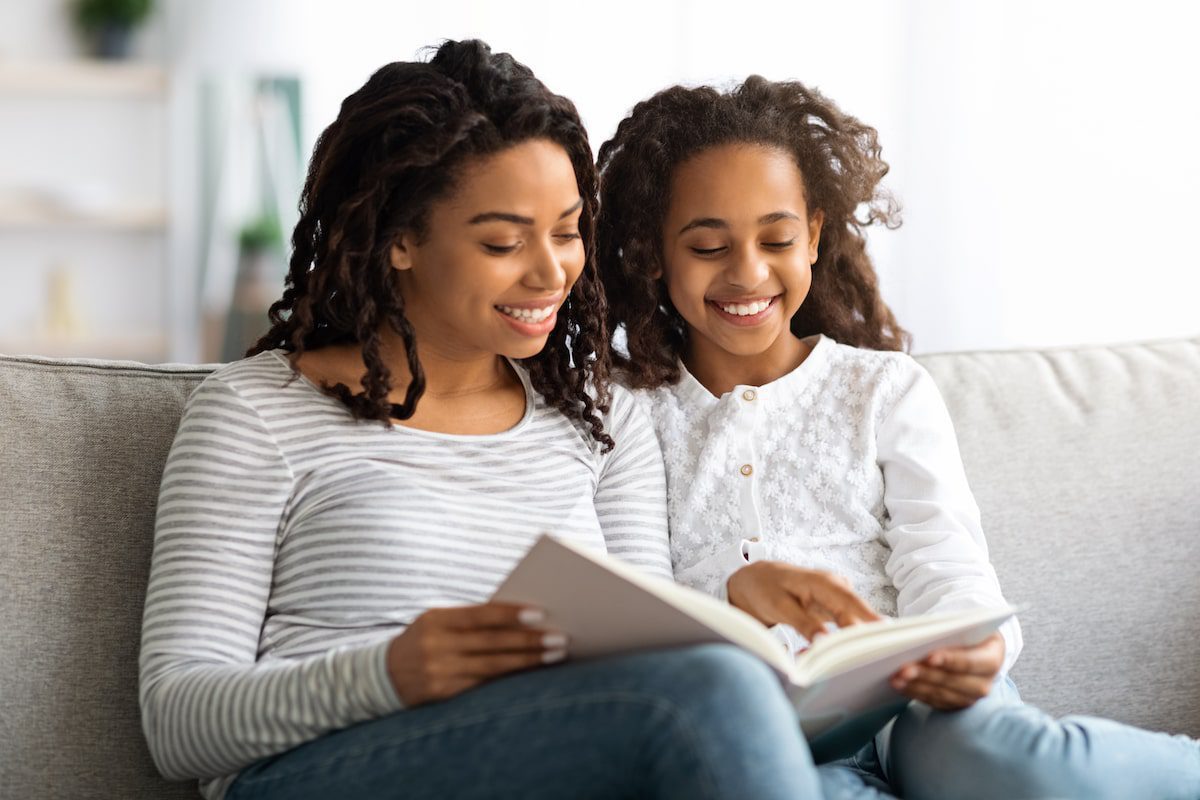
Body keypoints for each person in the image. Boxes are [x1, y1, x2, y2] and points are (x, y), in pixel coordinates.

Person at [138, 42, 827, 800]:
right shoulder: (254, 413)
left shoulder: (599, 417)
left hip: (555, 756)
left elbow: (646, 658)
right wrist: (390, 673)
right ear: (398, 238)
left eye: (566, 233)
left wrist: (731, 604)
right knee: (712, 695)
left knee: (717, 686)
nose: (550, 272)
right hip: (327, 767)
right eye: (503, 242)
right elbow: (177, 722)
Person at [596, 75, 1200, 800]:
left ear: (814, 235)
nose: (747, 271)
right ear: (653, 254)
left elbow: (947, 567)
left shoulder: (884, 389)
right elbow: (635, 615)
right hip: (759, 735)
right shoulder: (629, 412)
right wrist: (733, 589)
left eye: (777, 238)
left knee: (1021, 765)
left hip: (916, 706)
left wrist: (976, 650)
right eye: (708, 247)